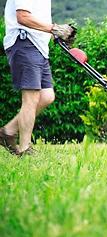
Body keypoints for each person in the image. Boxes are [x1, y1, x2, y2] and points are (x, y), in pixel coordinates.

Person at [0, 0, 75, 156]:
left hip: (39, 47)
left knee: (47, 96)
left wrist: (55, 31)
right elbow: (22, 16)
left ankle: (8, 132)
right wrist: (54, 29)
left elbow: (37, 19)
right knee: (31, 99)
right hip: (24, 42)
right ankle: (25, 149)